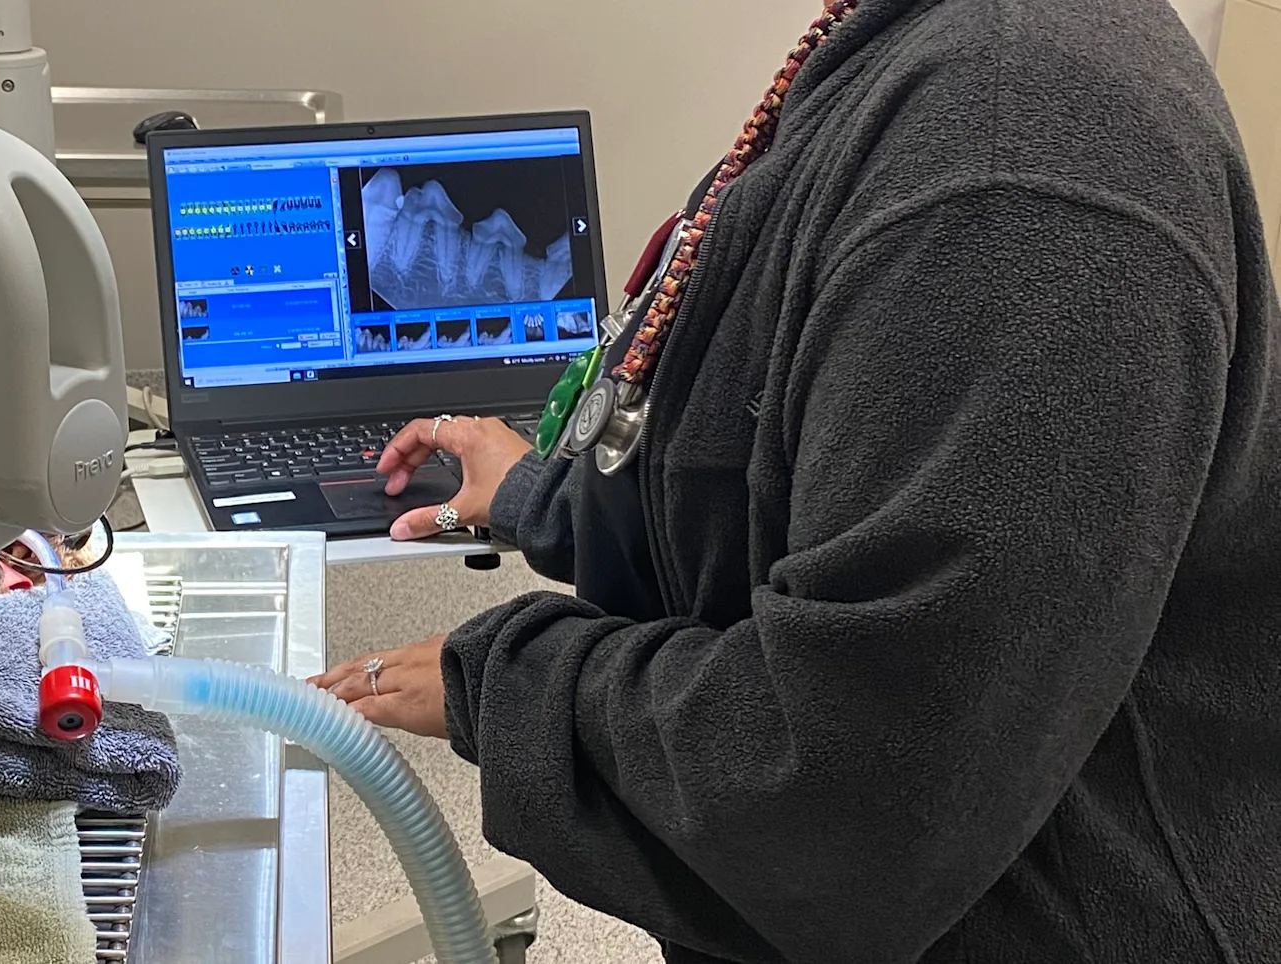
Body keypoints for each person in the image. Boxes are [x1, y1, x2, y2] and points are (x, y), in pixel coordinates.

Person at [311, 0, 1280, 961]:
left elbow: (854, 794)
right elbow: (781, 465)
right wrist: (542, 498)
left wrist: (504, 680)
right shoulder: (906, 59)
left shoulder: (1014, 153)